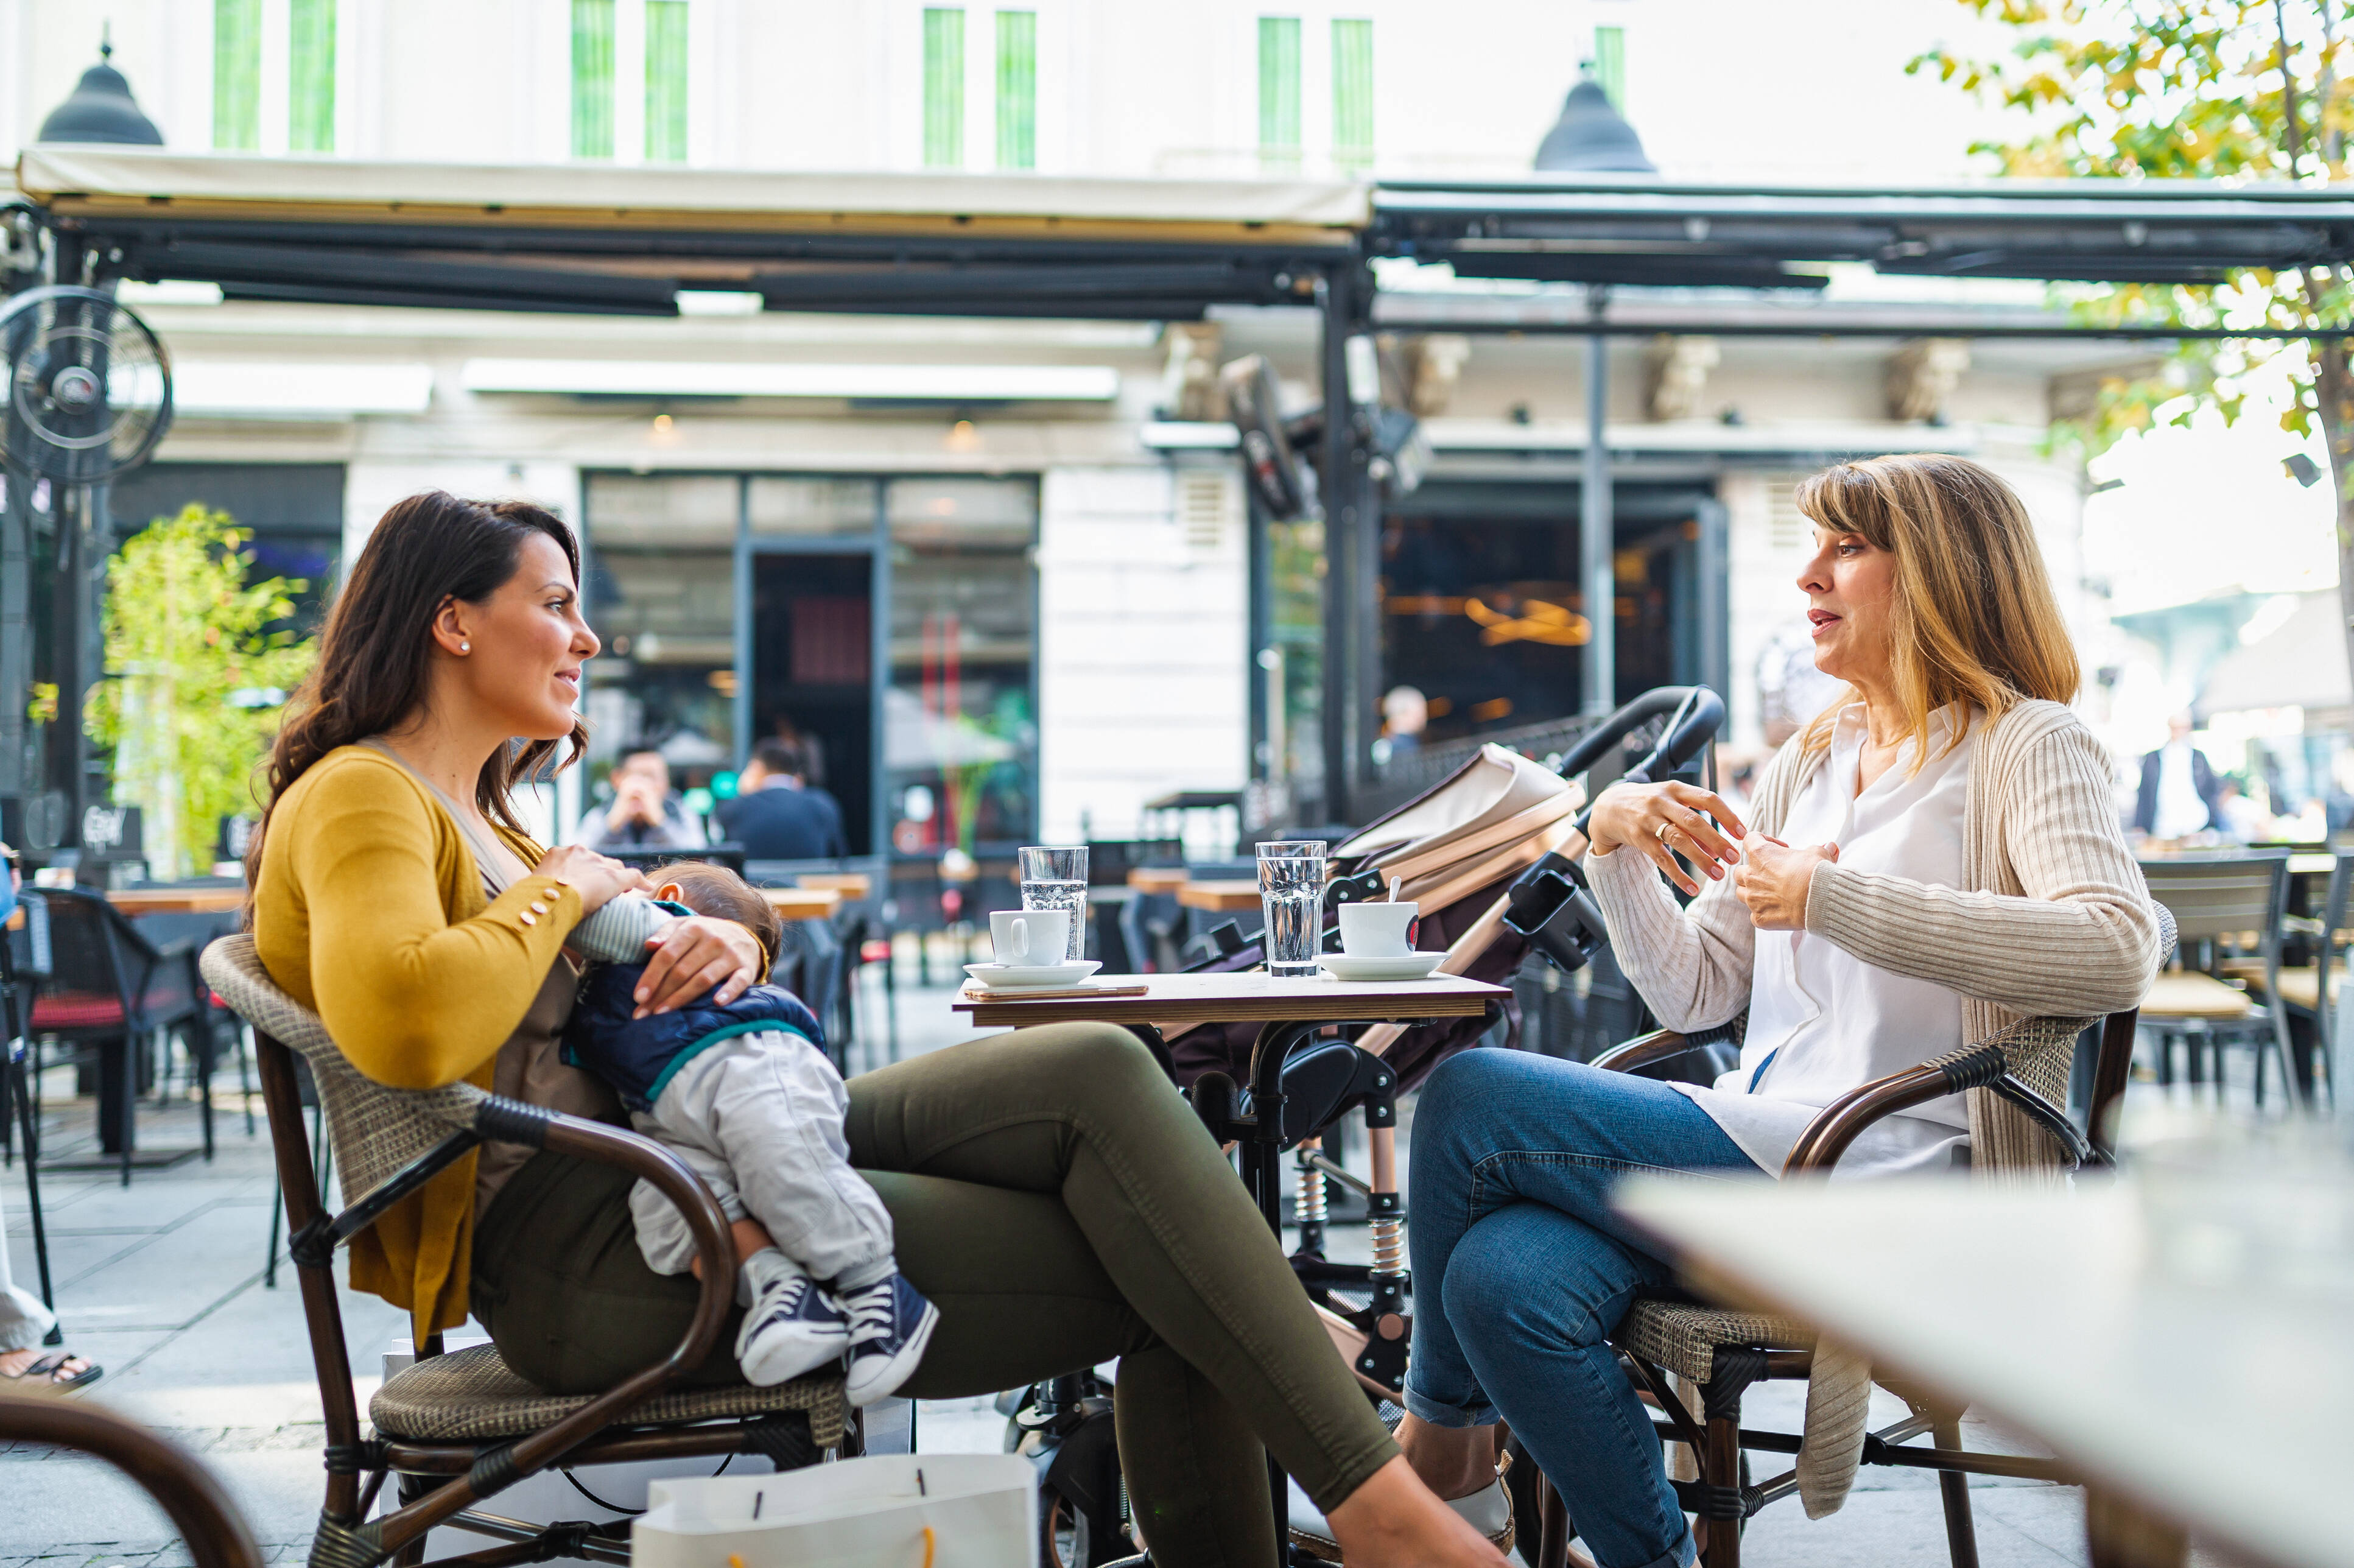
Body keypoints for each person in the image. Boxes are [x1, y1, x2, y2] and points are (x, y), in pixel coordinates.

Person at [244, 490, 1509, 1568]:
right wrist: (570, 888)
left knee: (1094, 1066)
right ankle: (1391, 1513)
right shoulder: (365, 793)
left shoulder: (494, 820)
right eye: (555, 601)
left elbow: (665, 899)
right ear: (452, 620)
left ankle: (1380, 1507)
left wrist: (733, 927)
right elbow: (409, 1023)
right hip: (599, 1248)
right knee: (1169, 1272)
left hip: (696, 1158)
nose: (585, 635)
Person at [1394, 455, 2160, 1568]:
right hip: (1767, 1149)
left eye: (1847, 548)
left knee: (1467, 1093)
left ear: (1941, 574)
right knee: (1498, 1279)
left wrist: (1829, 896)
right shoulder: (1812, 760)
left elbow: (2116, 948)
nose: (1810, 576)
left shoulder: (2025, 744)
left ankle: (1438, 1466)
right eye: (1815, 548)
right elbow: (1697, 991)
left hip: (1890, 1182)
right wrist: (1613, 846)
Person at [563, 860, 935, 1403]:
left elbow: (574, 920)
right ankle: (783, 1290)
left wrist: (577, 882)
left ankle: (877, 1286)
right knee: (665, 1207)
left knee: (785, 1164)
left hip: (753, 1062)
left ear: (667, 897)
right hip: (669, 1105)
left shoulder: (659, 926)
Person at [717, 737, 846, 860]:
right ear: (797, 774)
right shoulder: (823, 804)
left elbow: (720, 859)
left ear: (757, 768)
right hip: (807, 883)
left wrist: (743, 792)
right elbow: (839, 859)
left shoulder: (734, 808)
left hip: (754, 883)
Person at [574, 747, 707, 851]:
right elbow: (578, 858)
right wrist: (613, 824)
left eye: (654, 777)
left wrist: (660, 822)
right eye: (640, 776)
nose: (646, 786)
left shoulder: (680, 811)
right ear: (617, 779)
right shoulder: (601, 813)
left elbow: (699, 859)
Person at [2133, 711, 2226, 840]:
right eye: (2176, 728)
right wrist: (2139, 825)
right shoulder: (2154, 758)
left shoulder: (2198, 757)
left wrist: (2211, 819)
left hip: (2195, 825)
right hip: (2162, 827)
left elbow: (2212, 788)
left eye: (2184, 727)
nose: (2180, 732)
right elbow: (2144, 792)